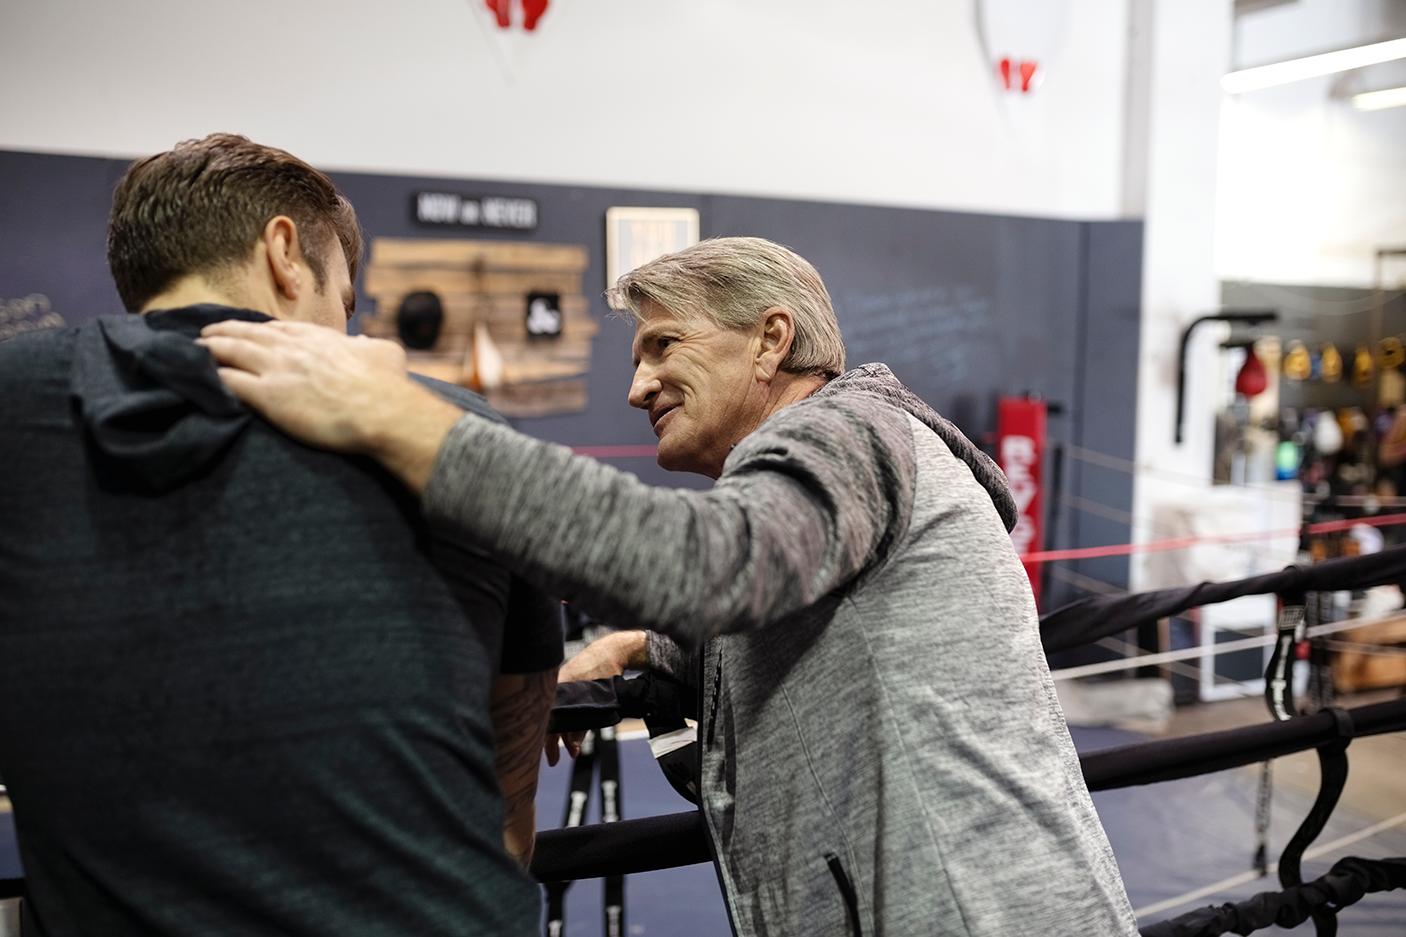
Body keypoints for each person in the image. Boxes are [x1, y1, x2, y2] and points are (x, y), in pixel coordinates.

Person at [201, 237, 1140, 936]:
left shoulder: (848, 432)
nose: (637, 385)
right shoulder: (825, 471)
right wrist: (645, 653)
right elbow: (785, 605)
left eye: (662, 347)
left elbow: (701, 565)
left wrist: (401, 421)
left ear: (772, 340)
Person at [0, 134, 560, 937]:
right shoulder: (455, 432)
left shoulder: (16, 406)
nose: (349, 329)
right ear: (286, 253)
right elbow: (510, 812)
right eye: (346, 299)